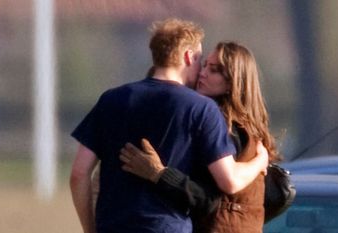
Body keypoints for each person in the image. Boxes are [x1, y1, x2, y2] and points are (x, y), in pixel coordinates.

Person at [70, 18, 267, 233]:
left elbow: (79, 174)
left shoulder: (110, 99)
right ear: (188, 56)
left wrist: (91, 229)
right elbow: (228, 181)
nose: (201, 71)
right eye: (201, 61)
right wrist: (260, 161)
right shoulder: (202, 109)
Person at [120, 41, 281, 233]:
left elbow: (207, 197)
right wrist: (259, 161)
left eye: (214, 70)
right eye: (204, 65)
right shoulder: (250, 129)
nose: (202, 73)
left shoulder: (222, 125)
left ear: (233, 81)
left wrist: (159, 174)